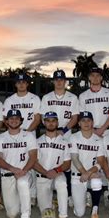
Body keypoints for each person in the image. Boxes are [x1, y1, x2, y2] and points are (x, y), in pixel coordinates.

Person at [41, 69, 79, 206]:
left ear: (65, 81)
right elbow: (43, 117)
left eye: (61, 79)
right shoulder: (46, 98)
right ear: (53, 81)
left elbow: (75, 117)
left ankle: (67, 194)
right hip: (50, 131)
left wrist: (63, 130)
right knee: (49, 160)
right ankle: (50, 193)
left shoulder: (72, 97)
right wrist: (52, 129)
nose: (59, 82)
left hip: (65, 132)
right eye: (56, 79)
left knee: (66, 163)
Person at [3, 73, 41, 208]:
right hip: (14, 133)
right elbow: (5, 119)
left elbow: (37, 119)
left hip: (29, 132)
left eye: (24, 82)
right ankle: (19, 191)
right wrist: (15, 131)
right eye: (19, 82)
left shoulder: (34, 98)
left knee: (32, 163)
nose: (21, 84)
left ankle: (33, 195)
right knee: (17, 162)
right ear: (15, 84)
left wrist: (27, 133)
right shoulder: (9, 100)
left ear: (27, 84)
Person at [0, 110, 38, 218]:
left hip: (24, 173)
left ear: (21, 121)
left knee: (22, 182)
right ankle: (23, 199)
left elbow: (33, 156)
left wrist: (23, 171)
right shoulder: (0, 138)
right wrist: (12, 169)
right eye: (11, 118)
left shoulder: (28, 135)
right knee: (11, 214)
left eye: (16, 118)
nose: (14, 120)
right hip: (7, 175)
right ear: (6, 121)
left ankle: (25, 217)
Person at [34, 111, 71, 218]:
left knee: (62, 183)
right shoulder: (37, 141)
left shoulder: (64, 142)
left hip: (57, 174)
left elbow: (67, 163)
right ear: (44, 123)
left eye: (53, 121)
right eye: (48, 121)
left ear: (57, 123)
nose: (51, 123)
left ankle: (63, 216)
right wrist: (45, 172)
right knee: (46, 213)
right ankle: (52, 203)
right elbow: (34, 162)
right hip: (42, 177)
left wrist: (56, 170)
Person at [69, 111, 106, 218]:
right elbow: (74, 158)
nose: (86, 123)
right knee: (79, 213)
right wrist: (85, 173)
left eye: (88, 120)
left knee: (97, 181)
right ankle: (82, 197)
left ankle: (94, 212)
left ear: (93, 123)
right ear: (79, 123)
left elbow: (101, 161)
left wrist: (89, 173)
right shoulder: (73, 137)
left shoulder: (99, 140)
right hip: (78, 176)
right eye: (83, 121)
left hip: (92, 174)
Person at [79, 67, 109, 137]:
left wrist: (102, 129)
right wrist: (92, 130)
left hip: (106, 131)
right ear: (89, 78)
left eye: (98, 75)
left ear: (101, 78)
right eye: (93, 75)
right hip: (89, 131)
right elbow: (82, 116)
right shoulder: (83, 96)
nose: (95, 78)